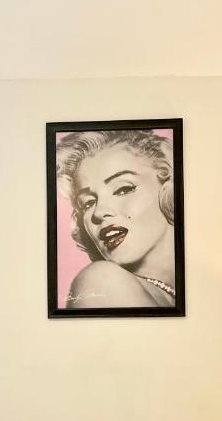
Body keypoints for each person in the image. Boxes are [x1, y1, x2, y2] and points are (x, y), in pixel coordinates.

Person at [56, 130, 176, 308]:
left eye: (123, 189)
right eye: (88, 203)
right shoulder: (102, 280)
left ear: (168, 187)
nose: (99, 212)